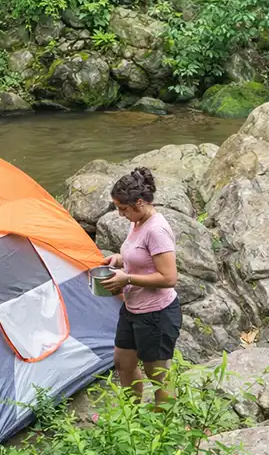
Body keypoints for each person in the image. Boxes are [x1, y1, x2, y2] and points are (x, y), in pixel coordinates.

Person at [100, 167, 181, 407]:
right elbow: (139, 256)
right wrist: (119, 259)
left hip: (156, 314)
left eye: (123, 209)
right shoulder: (137, 222)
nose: (120, 214)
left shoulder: (156, 230)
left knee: (158, 376)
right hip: (133, 309)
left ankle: (162, 431)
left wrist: (127, 279)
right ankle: (131, 419)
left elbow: (168, 278)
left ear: (139, 203)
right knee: (123, 363)